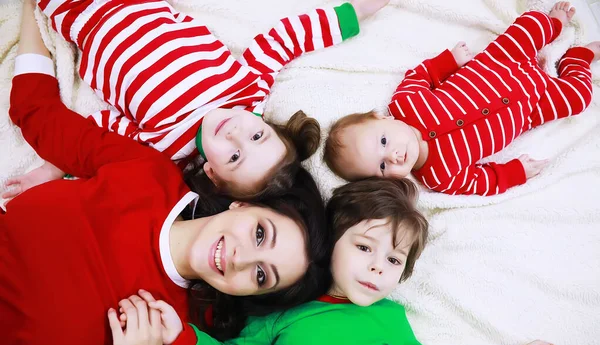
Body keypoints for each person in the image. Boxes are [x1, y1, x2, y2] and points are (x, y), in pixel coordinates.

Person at [0, 3, 330, 345]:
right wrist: (30, 12)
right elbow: (37, 114)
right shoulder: (147, 170)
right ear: (243, 204)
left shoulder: (180, 333)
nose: (242, 259)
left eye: (261, 276)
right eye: (260, 234)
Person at [124, 178, 559, 345]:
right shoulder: (288, 305)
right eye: (364, 246)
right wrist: (181, 339)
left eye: (393, 260)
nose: (377, 266)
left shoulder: (389, 318)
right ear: (331, 244)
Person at [2, 0, 390, 202]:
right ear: (265, 122)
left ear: (213, 175)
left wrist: (52, 169)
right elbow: (284, 40)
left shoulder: (165, 147)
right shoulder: (248, 90)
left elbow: (96, 132)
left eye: (234, 156)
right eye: (257, 136)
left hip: (82, 18)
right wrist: (353, 14)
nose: (236, 134)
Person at [323, 2, 600, 196]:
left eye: (383, 141)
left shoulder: (404, 104)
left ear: (381, 117)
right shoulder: (438, 177)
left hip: (498, 62)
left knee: (526, 28)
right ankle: (578, 59)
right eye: (382, 167)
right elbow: (483, 181)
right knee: (579, 98)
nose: (393, 156)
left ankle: (552, 25)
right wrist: (517, 172)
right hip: (531, 107)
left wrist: (451, 60)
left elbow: (422, 76)